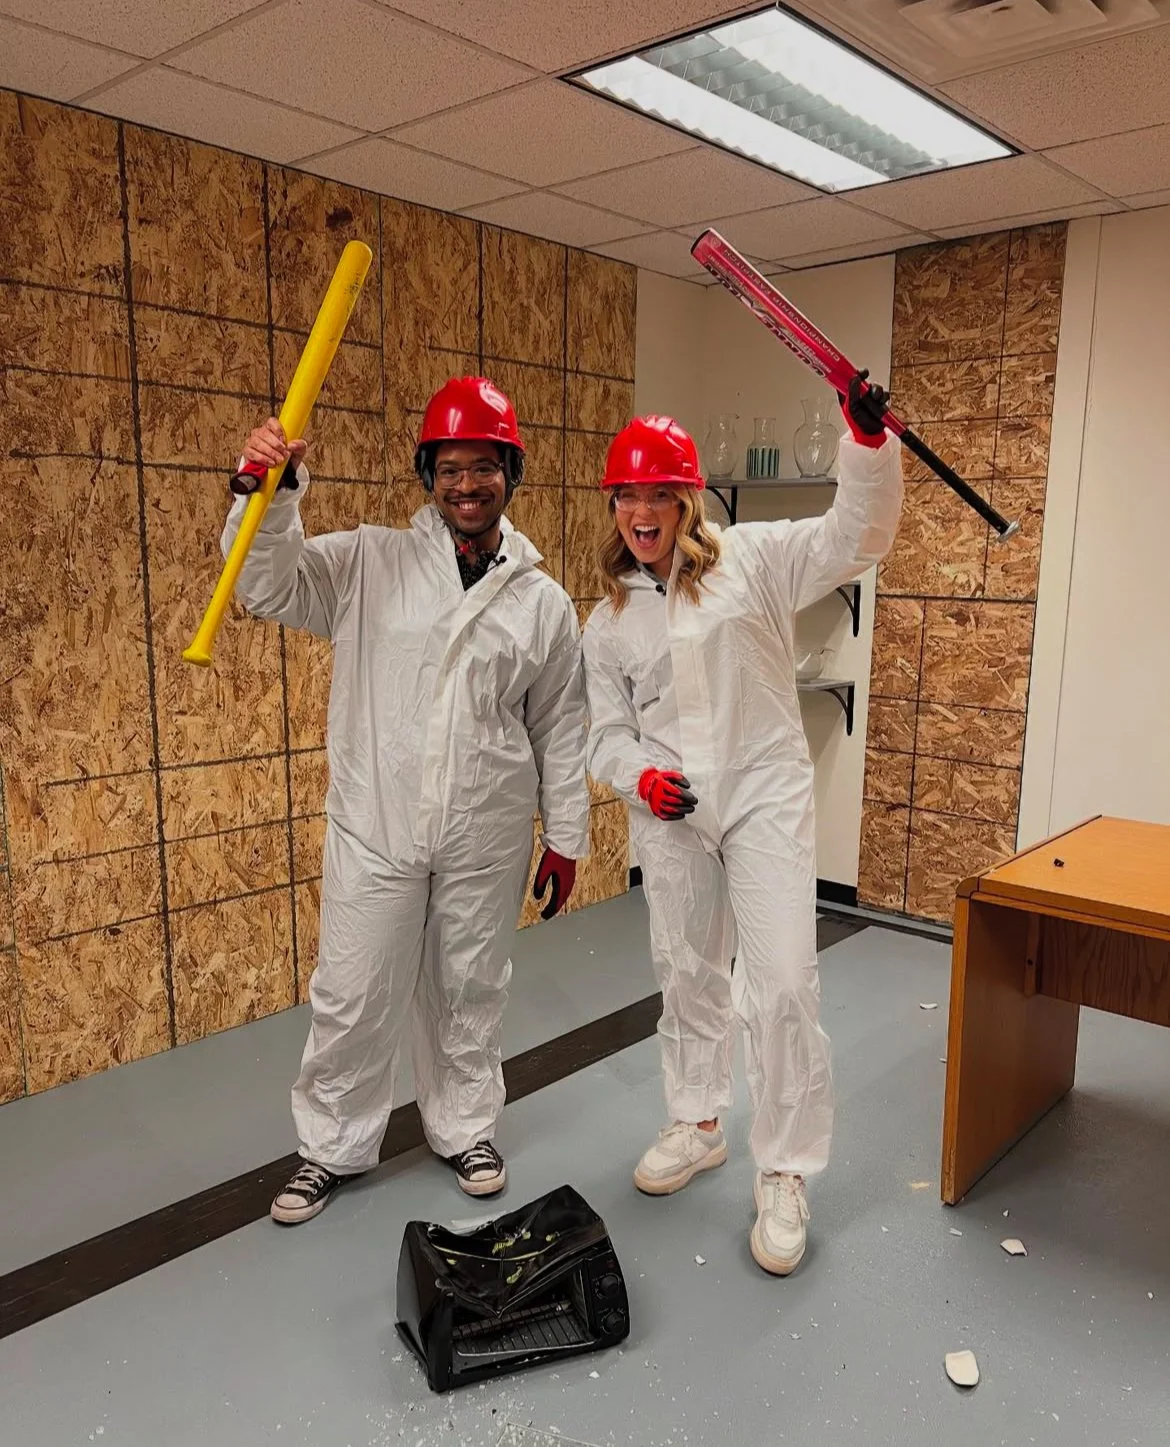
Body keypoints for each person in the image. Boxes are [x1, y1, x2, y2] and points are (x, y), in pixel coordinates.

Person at [222, 376, 590, 1224]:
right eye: (451, 466)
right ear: (428, 474)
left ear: (511, 472)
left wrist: (565, 834)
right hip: (376, 826)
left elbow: (561, 727)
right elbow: (264, 585)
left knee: (470, 987)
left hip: (486, 831)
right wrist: (268, 497)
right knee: (352, 992)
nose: (468, 484)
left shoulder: (542, 601)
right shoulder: (367, 562)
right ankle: (329, 1146)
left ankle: (464, 1128)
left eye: (485, 466)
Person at [581, 374, 904, 1276]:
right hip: (673, 809)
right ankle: (696, 1121)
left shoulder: (755, 559)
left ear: (690, 497)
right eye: (628, 494)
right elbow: (602, 733)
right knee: (686, 971)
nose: (644, 510)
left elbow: (856, 536)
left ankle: (787, 1168)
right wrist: (638, 776)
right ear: (613, 504)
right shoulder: (606, 621)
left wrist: (866, 450)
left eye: (660, 492)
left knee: (787, 982)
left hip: (762, 794)